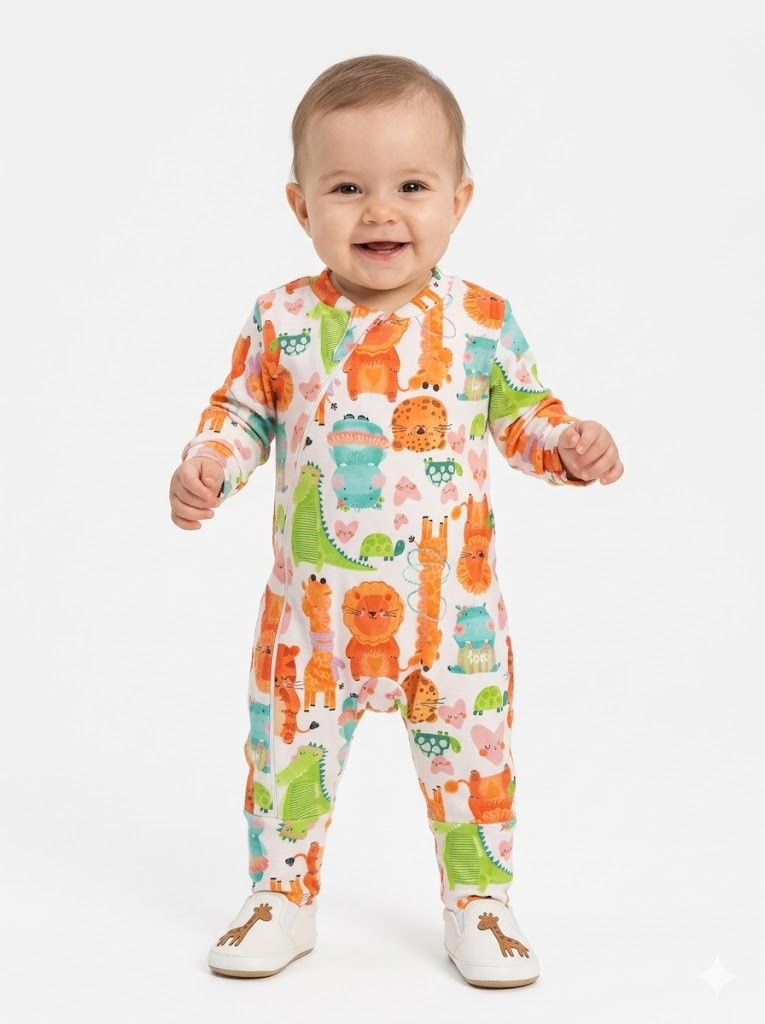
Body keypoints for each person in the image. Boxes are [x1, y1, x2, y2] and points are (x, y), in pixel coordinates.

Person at [169, 53, 623, 989]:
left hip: (451, 619)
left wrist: (570, 444)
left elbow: (526, 418)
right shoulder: (282, 319)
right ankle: (280, 895)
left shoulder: (481, 321)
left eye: (410, 186)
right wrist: (210, 461)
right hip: (309, 626)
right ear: (300, 207)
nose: (380, 211)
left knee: (474, 769)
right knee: (283, 760)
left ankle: (480, 903)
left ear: (458, 200)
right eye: (347, 188)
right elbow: (243, 414)